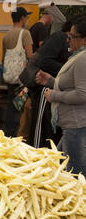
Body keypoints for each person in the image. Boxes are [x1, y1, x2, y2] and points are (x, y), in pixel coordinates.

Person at [35, 17, 86, 175]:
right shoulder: (77, 57)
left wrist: (55, 95)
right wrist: (51, 81)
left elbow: (82, 94)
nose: (68, 40)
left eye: (72, 36)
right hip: (71, 127)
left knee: (75, 175)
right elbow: (71, 84)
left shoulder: (82, 59)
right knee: (56, 168)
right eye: (68, 35)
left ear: (84, 39)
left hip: (75, 126)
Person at [28, 19, 74, 148]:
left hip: (57, 90)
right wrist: (68, 70)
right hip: (46, 88)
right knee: (42, 129)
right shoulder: (59, 37)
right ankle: (36, 158)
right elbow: (45, 61)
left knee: (51, 132)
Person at [2, 6, 33, 137]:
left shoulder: (7, 35)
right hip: (20, 77)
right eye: (26, 17)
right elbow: (30, 55)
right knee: (18, 106)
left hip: (9, 76)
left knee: (10, 104)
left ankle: (7, 131)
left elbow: (3, 56)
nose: (27, 19)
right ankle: (14, 134)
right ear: (22, 18)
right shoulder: (25, 33)